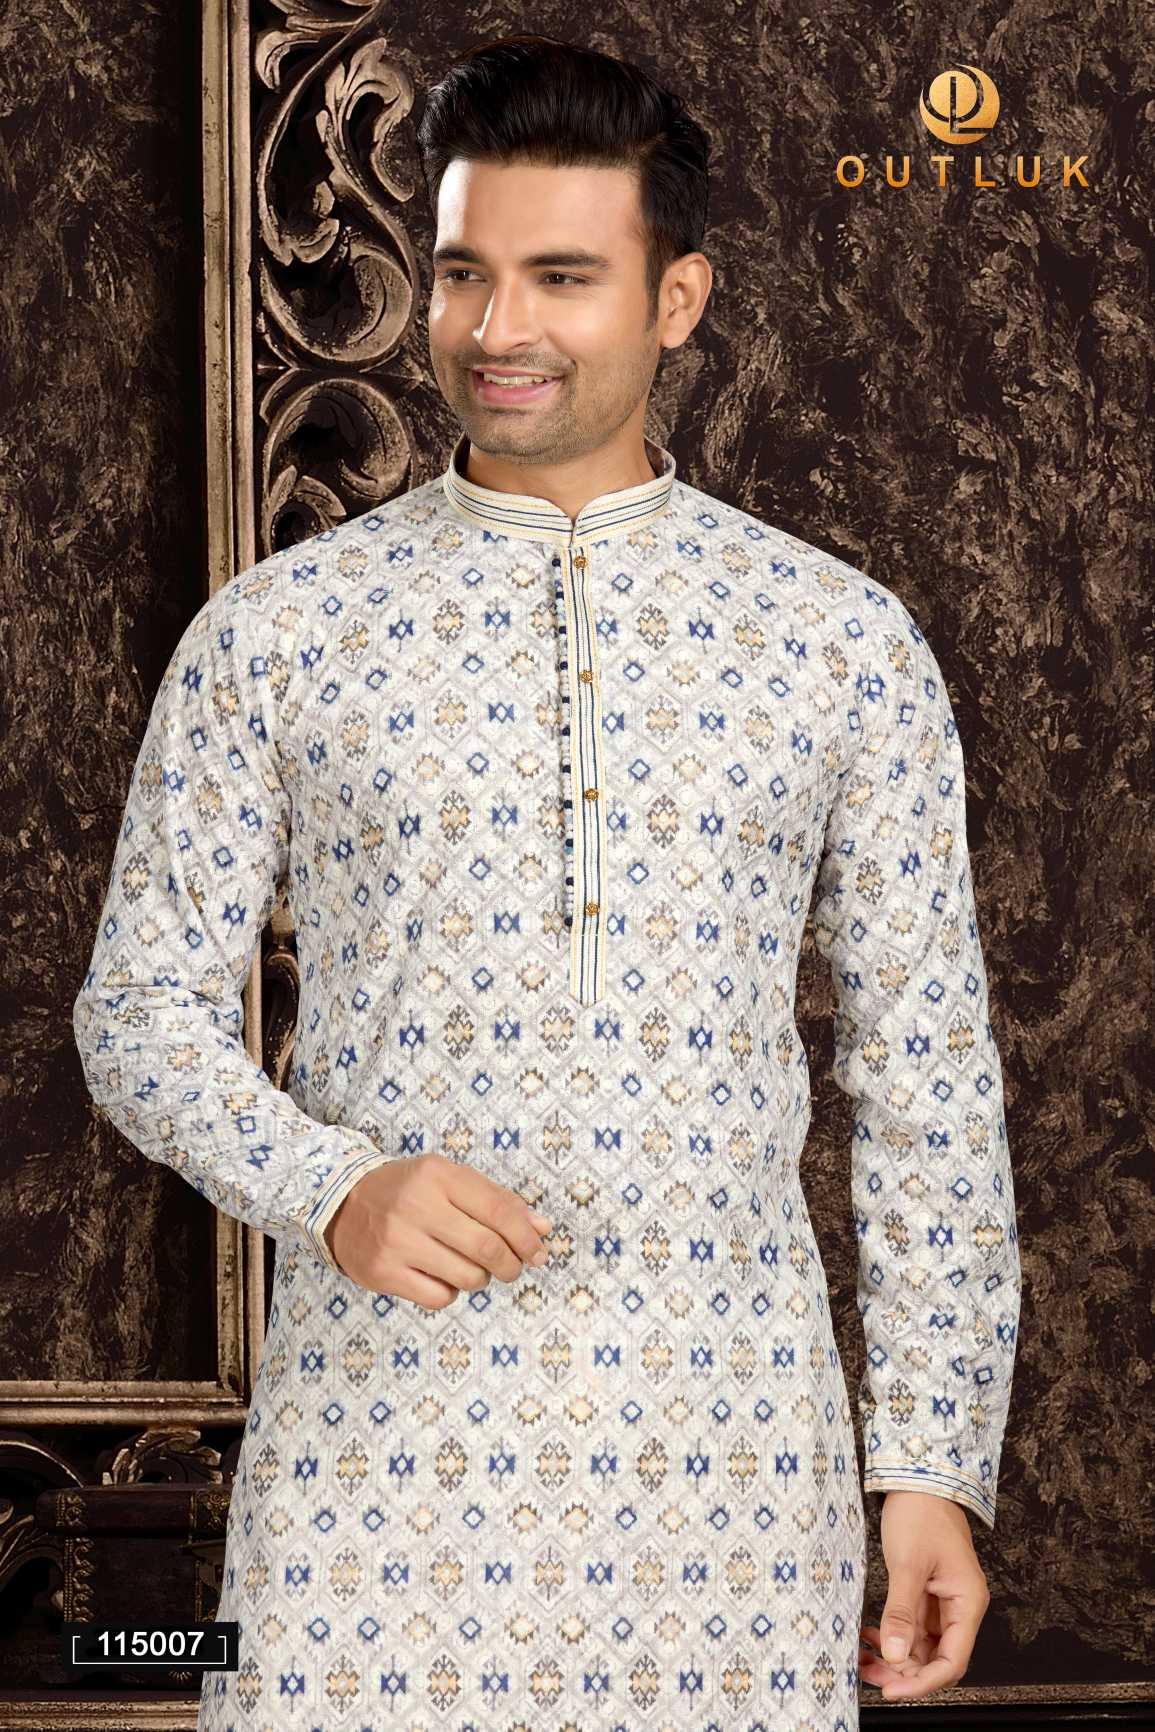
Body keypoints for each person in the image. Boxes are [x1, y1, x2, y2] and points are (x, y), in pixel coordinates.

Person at [73, 32, 1022, 1732]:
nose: (497, 327)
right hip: (371, 1477)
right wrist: (331, 1188)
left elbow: (928, 1082)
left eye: (562, 278)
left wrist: (934, 1466)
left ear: (677, 299)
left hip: (731, 1485)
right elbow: (136, 1016)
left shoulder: (839, 644)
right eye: (464, 274)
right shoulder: (279, 634)